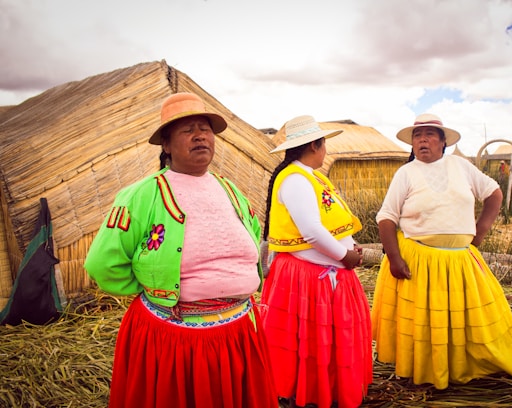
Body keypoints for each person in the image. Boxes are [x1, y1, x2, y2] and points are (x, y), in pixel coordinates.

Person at [84, 92, 278, 408]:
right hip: (175, 340)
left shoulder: (230, 190)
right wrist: (155, 290)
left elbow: (254, 239)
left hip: (239, 334)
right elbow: (102, 263)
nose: (200, 135)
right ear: (166, 143)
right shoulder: (141, 196)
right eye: (187, 130)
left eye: (205, 128)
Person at [371, 113, 512, 390]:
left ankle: (465, 364)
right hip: (421, 260)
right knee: (427, 322)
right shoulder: (406, 173)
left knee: (469, 318)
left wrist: (480, 230)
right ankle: (428, 368)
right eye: (417, 136)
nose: (423, 140)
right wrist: (394, 258)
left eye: (430, 135)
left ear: (443, 141)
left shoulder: (461, 166)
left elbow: (493, 193)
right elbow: (386, 217)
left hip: (459, 260)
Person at [260, 115, 372, 408]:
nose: (325, 152)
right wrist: (344, 255)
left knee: (322, 343)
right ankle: (309, 393)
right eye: (324, 145)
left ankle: (326, 389)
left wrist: (350, 245)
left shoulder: (311, 177)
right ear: (315, 145)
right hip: (309, 279)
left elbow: (330, 222)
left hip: (325, 273)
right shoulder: (296, 180)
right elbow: (311, 230)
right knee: (308, 343)